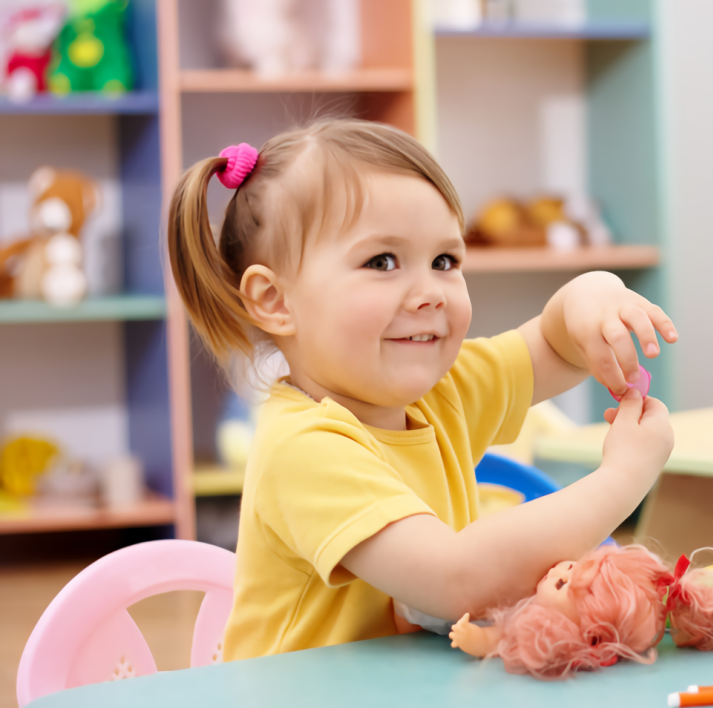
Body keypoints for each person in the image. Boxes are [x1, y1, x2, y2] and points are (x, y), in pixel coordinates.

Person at [166, 119, 676, 660]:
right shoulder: (304, 448)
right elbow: (455, 578)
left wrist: (592, 294)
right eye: (382, 261)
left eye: (444, 261)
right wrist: (623, 478)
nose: (430, 292)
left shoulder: (440, 391)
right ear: (274, 301)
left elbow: (554, 347)